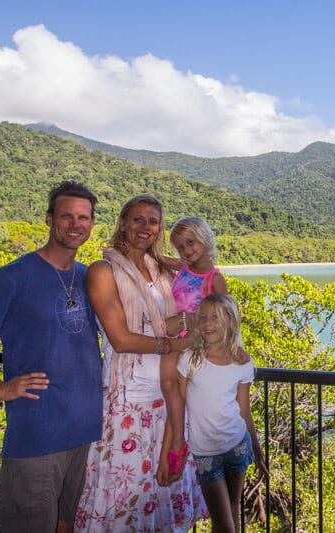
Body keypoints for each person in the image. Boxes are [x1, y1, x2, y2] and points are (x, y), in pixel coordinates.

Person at [0, 181, 102, 533]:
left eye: (83, 217)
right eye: (66, 215)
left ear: (92, 224)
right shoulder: (13, 277)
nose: (75, 224)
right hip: (37, 432)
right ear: (50, 219)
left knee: (67, 523)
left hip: (86, 429)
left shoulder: (89, 278)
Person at [74, 194, 207, 532]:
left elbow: (200, 271)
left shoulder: (159, 269)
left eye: (152, 221)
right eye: (138, 219)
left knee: (164, 484)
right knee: (125, 490)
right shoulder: (103, 271)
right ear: (123, 223)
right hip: (128, 398)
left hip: (168, 392)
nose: (145, 226)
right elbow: (121, 339)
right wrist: (173, 342)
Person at [177, 294, 267, 533]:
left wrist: (257, 453)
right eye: (203, 317)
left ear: (230, 321)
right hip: (205, 453)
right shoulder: (189, 360)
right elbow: (182, 400)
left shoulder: (242, 363)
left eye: (215, 318)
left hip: (237, 445)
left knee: (233, 510)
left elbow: (244, 412)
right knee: (224, 523)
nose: (207, 323)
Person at [161, 216, 233, 482]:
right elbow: (154, 259)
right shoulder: (183, 268)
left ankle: (179, 444)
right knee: (171, 389)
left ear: (204, 238)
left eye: (190, 243)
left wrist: (234, 351)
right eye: (180, 246)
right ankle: (177, 446)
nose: (187, 250)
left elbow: (226, 319)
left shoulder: (215, 280)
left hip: (193, 341)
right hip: (177, 337)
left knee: (174, 388)